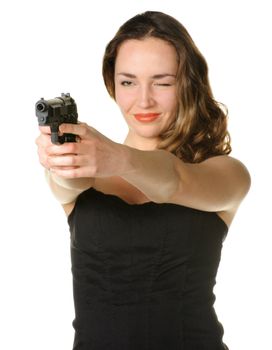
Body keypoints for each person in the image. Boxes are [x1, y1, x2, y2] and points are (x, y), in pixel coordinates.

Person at [36, 11, 251, 350]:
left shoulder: (226, 174)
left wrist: (116, 158)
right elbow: (66, 182)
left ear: (188, 83)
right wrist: (60, 161)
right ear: (112, 84)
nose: (144, 100)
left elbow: (173, 181)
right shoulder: (89, 168)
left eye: (163, 82)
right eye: (128, 82)